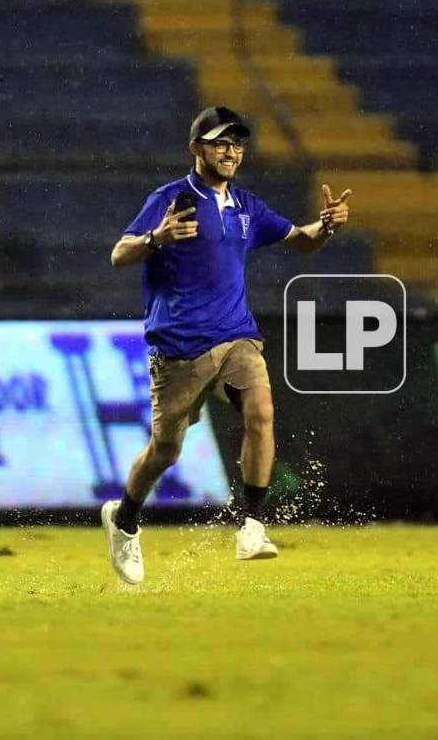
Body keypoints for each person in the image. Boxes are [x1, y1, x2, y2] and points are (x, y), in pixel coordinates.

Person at [102, 105, 351, 584]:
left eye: (236, 143)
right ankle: (125, 520)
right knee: (166, 451)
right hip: (179, 348)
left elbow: (300, 239)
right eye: (219, 143)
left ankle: (252, 526)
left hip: (236, 336)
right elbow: (119, 253)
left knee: (261, 413)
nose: (230, 151)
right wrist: (157, 236)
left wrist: (328, 225)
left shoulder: (247, 207)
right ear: (197, 148)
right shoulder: (171, 198)